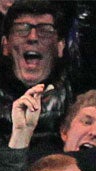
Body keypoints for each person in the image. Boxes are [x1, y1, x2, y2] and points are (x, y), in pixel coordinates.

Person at [0, 1, 72, 155]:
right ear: (5, 45)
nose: (32, 37)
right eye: (21, 29)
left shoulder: (76, 86)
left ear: (61, 46)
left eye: (45, 31)